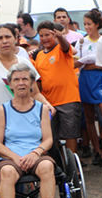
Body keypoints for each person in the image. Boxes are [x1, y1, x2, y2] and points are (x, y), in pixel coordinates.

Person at [0, 64, 57, 198]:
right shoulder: (3, 110)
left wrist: (35, 153)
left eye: (25, 79)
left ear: (32, 83)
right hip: (11, 157)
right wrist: (15, 157)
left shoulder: (41, 109)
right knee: (7, 172)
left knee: (46, 166)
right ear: (10, 85)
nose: (21, 83)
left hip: (35, 154)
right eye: (16, 80)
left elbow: (48, 139)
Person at [33, 21, 82, 154]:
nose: (44, 38)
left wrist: (61, 37)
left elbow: (66, 47)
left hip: (68, 99)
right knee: (51, 135)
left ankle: (73, 164)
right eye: (41, 36)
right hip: (48, 103)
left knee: (70, 134)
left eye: (47, 35)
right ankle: (58, 164)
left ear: (54, 35)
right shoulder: (39, 55)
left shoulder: (61, 48)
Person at [76, 9, 102, 166]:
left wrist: (91, 64)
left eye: (89, 24)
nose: (86, 27)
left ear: (97, 24)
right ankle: (97, 151)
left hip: (101, 80)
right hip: (86, 80)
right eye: (85, 24)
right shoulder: (82, 41)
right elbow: (77, 63)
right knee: (88, 116)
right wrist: (90, 64)